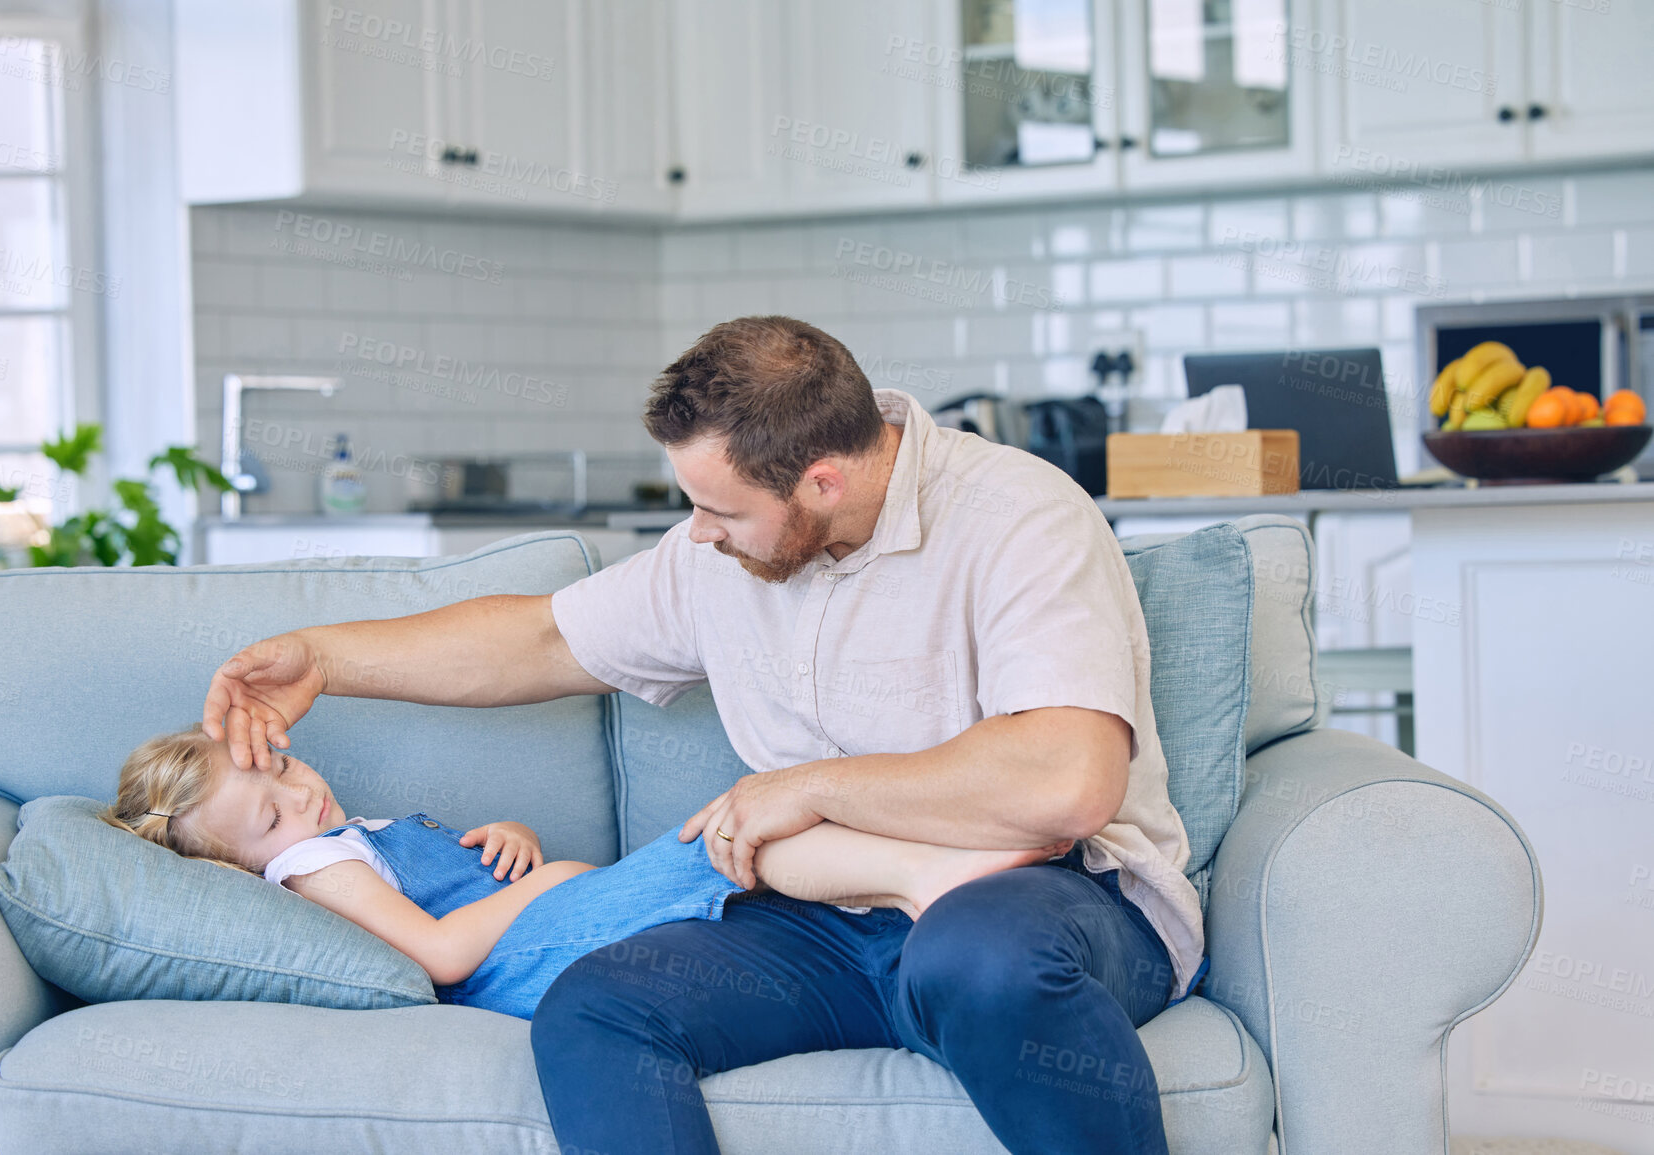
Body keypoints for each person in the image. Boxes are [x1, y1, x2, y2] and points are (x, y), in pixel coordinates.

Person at [203, 315, 1203, 1155]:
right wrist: (326, 660)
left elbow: (1068, 779)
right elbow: (546, 636)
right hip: (826, 911)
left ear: (821, 482)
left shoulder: (1018, 516)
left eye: (720, 509)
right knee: (595, 1010)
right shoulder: (727, 556)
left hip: (1054, 897)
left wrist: (811, 788)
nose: (697, 533)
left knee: (975, 961)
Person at [101, 726, 1071, 1020]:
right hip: (512, 973)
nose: (299, 803)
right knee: (727, 838)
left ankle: (924, 875)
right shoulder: (314, 866)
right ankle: (929, 877)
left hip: (538, 936)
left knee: (740, 843)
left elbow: (443, 890)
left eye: (283, 773)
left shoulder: (342, 832)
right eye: (269, 818)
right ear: (243, 862)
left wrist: (508, 840)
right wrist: (550, 876)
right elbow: (439, 955)